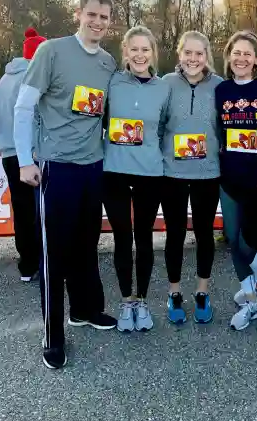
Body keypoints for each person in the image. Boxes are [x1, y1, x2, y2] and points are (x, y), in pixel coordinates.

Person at [13, 0, 118, 370]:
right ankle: (52, 335)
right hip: (56, 169)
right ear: (79, 14)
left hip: (94, 168)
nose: (97, 22)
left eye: (104, 17)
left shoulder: (108, 62)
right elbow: (24, 107)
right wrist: (26, 161)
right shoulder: (52, 52)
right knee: (54, 256)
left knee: (86, 247)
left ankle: (86, 310)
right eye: (92, 14)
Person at [103, 26, 170, 332]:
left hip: (150, 173)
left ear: (152, 53)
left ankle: (142, 300)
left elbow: (167, 127)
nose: (140, 55)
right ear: (125, 52)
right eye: (134, 49)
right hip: (114, 171)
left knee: (144, 238)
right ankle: (125, 300)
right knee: (121, 238)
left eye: (146, 49)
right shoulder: (112, 81)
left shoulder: (163, 87)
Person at [161, 31, 222, 324]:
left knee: (204, 233)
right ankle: (174, 293)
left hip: (207, 173)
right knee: (174, 234)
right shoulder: (167, 84)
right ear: (179, 54)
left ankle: (201, 292)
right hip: (172, 173)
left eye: (199, 54)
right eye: (188, 53)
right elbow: (156, 124)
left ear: (207, 55)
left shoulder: (220, 86)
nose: (193, 59)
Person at [215, 31, 257, 331]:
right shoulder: (221, 90)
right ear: (229, 56)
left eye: (247, 54)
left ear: (256, 60)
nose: (241, 58)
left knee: (247, 244)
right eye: (236, 53)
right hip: (228, 178)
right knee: (233, 243)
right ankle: (251, 300)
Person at [0, 28, 46, 281]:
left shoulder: (2, 82)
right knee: (40, 210)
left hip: (8, 153)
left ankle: (27, 266)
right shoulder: (35, 78)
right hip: (32, 152)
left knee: (22, 211)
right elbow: (39, 116)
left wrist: (4, 133)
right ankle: (44, 262)